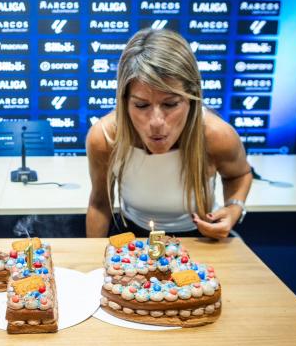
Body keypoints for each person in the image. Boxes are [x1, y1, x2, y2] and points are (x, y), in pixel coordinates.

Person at [86, 28, 252, 239]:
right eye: (141, 105)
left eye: (170, 104)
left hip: (200, 238)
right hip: (132, 238)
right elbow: (100, 205)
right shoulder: (104, 138)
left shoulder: (216, 135)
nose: (156, 122)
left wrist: (234, 208)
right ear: (124, 101)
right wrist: (92, 265)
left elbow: (239, 174)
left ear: (191, 99)